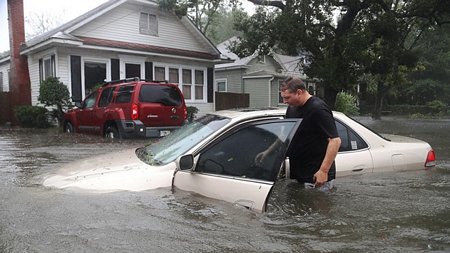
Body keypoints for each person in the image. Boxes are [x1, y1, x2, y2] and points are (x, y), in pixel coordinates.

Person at [256, 77, 341, 190]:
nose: (285, 101)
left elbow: (335, 140)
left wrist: (323, 171)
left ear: (299, 92)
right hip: (299, 173)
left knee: (319, 206)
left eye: (287, 97)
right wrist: (268, 152)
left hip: (316, 177)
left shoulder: (318, 109)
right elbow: (285, 135)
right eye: (283, 98)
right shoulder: (292, 108)